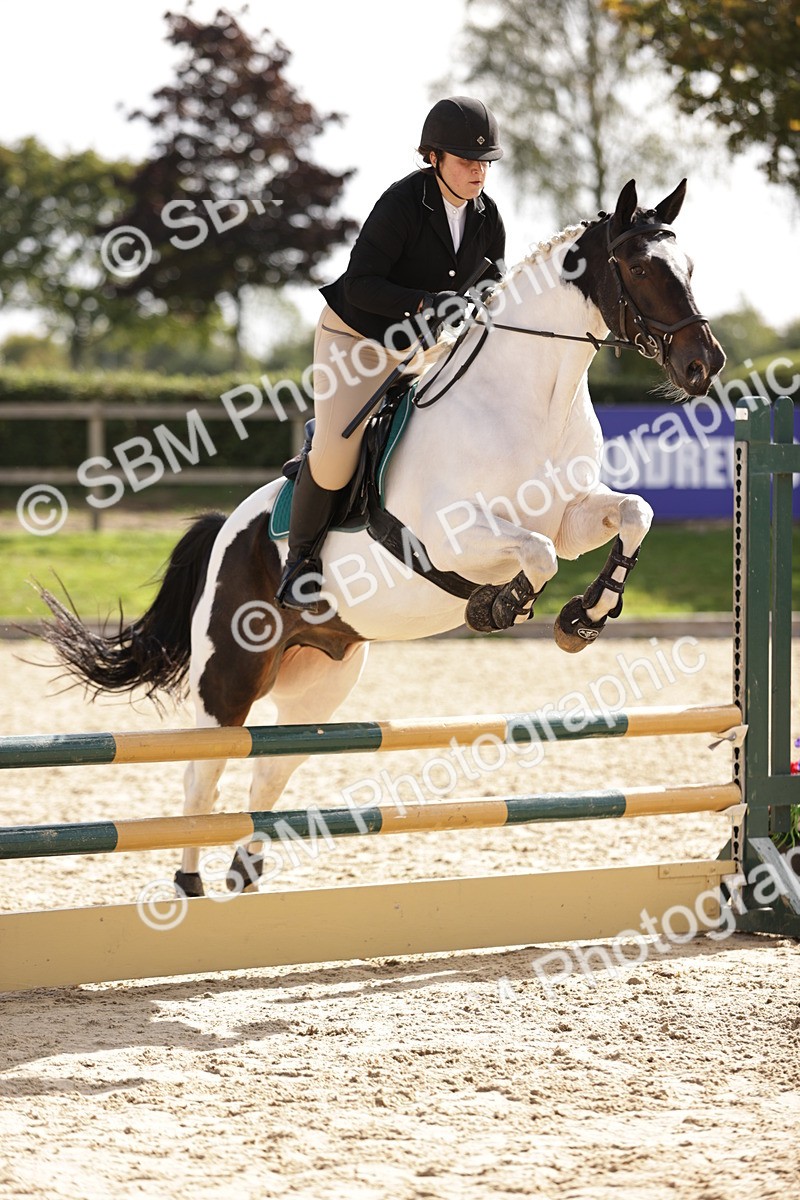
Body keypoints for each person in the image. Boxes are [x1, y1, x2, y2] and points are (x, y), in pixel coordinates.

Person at [276, 96, 507, 613]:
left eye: (484, 162)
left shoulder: (488, 218)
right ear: (433, 158)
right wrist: (426, 301)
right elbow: (360, 286)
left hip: (422, 348)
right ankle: (302, 564)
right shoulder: (403, 204)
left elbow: (494, 286)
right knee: (338, 457)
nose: (477, 171)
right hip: (356, 341)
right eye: (466, 160)